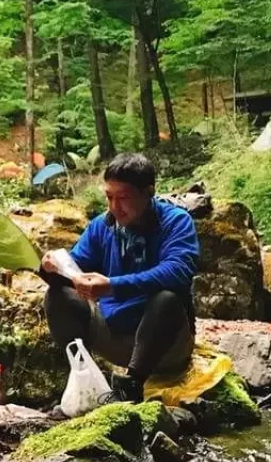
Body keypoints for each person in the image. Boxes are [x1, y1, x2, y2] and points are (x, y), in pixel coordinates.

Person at [41, 152, 200, 403]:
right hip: (113, 333)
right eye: (109, 197)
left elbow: (177, 272)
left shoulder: (176, 222)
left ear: (148, 192)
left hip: (165, 344)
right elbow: (75, 267)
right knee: (58, 296)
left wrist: (112, 286)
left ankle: (131, 386)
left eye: (123, 198)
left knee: (167, 298)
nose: (115, 207)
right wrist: (53, 268)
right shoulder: (102, 226)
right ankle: (86, 381)